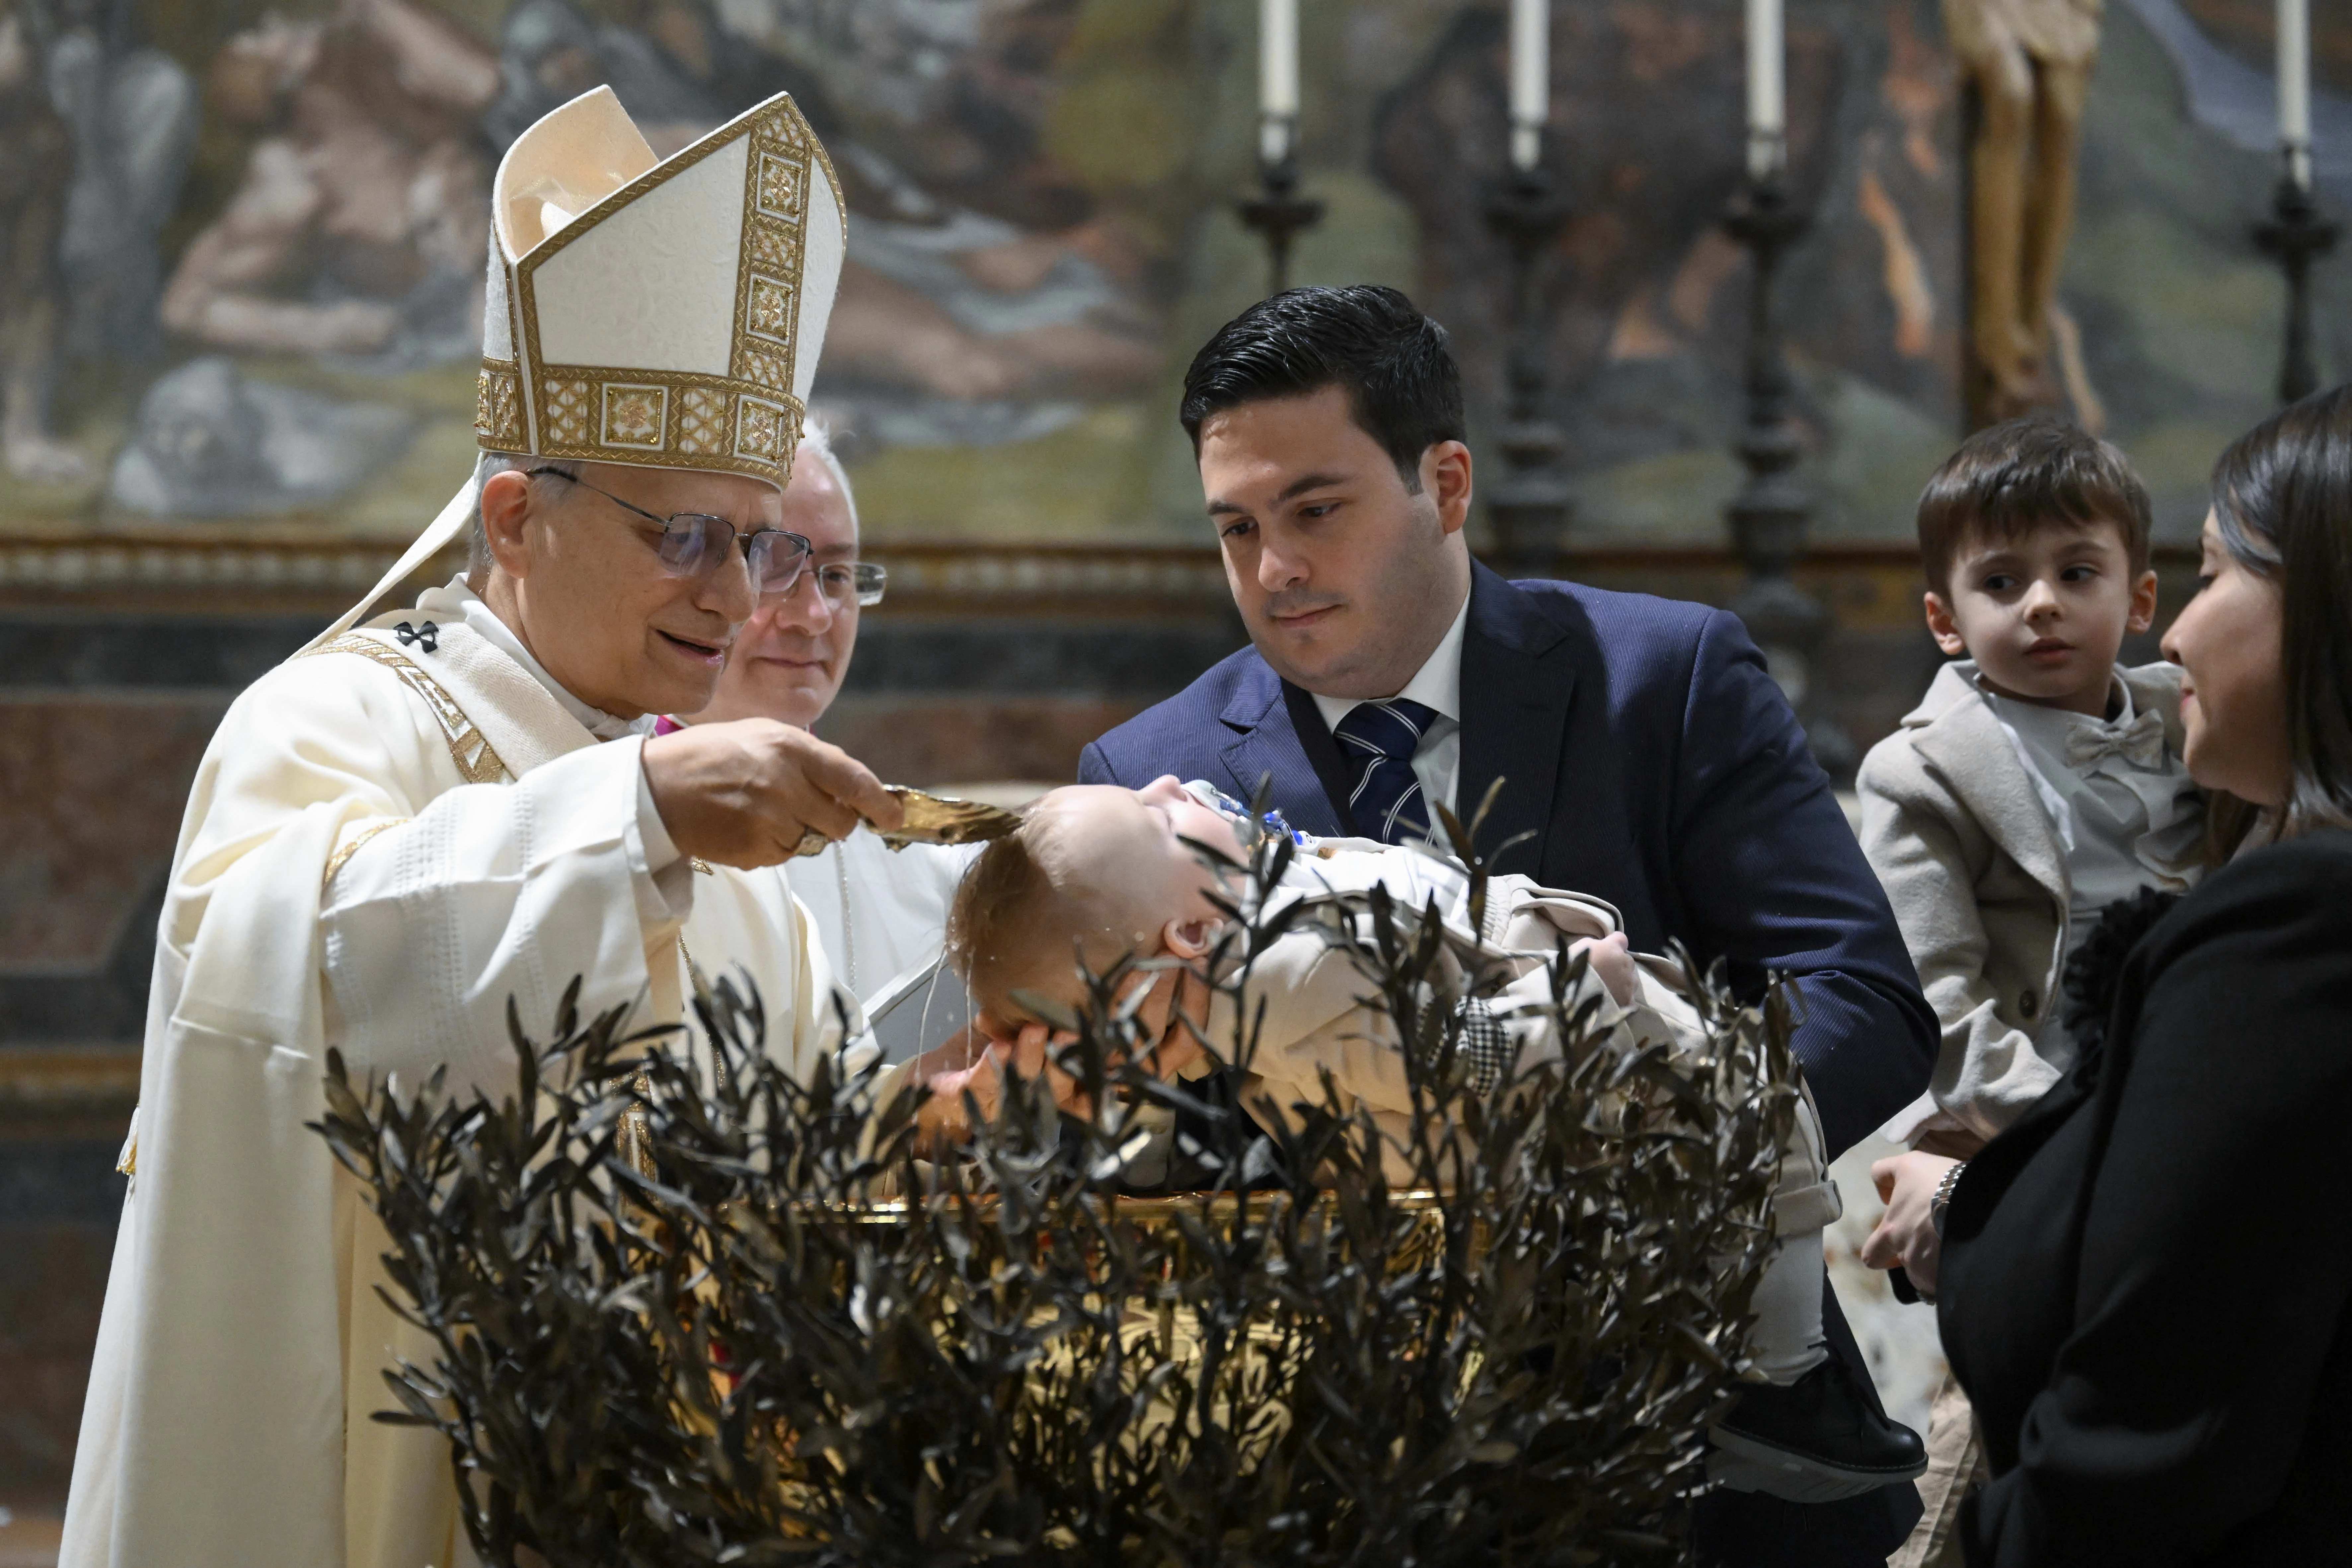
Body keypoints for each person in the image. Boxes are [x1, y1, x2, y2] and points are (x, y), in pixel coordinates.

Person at [60, 86, 902, 1568]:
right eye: (682, 536)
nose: (734, 595)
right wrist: (629, 813)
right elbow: (279, 994)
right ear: (513, 515)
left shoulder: (711, 825)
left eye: (756, 539)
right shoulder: (335, 723)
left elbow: (819, 1145)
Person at [1077, 284, 1939, 1563]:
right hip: (1335, 1467)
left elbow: (1859, 996)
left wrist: (1654, 1102)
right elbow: (1141, 1126)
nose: (1273, 571)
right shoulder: (1147, 781)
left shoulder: (1665, 676)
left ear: (1446, 480)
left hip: (1700, 1440)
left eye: (1315, 510)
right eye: (1236, 526)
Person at [924, 776, 1926, 1502]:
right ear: (1189, 934)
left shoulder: (1250, 936)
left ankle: (1778, 1390)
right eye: (1156, 817)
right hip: (1579, 1082)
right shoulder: (1283, 977)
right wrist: (1585, 997)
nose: (1173, 782)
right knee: (1769, 1176)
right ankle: (1782, 1390)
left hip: (1528, 1136)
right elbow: (1467, 1054)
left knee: (1757, 1175)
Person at [1920, 388, 2352, 1564]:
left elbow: (2154, 1419)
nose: (2173, 641)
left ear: (2323, 600)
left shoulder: (2300, 927)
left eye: (2210, 577)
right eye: (2000, 579)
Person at [1852, 416, 2205, 1564]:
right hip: (2032, 1113)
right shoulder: (1920, 770)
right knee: (2006, 1413)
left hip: (2189, 1099)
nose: (2040, 603)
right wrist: (2059, 1140)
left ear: (2139, 596)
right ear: (1944, 620)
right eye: (1999, 581)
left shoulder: (2187, 721)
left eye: (2074, 572)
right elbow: (1936, 993)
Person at [673, 422, 977, 1003]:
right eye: (773, 568)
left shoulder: (924, 860)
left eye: (836, 576)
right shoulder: (609, 821)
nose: (813, 615)